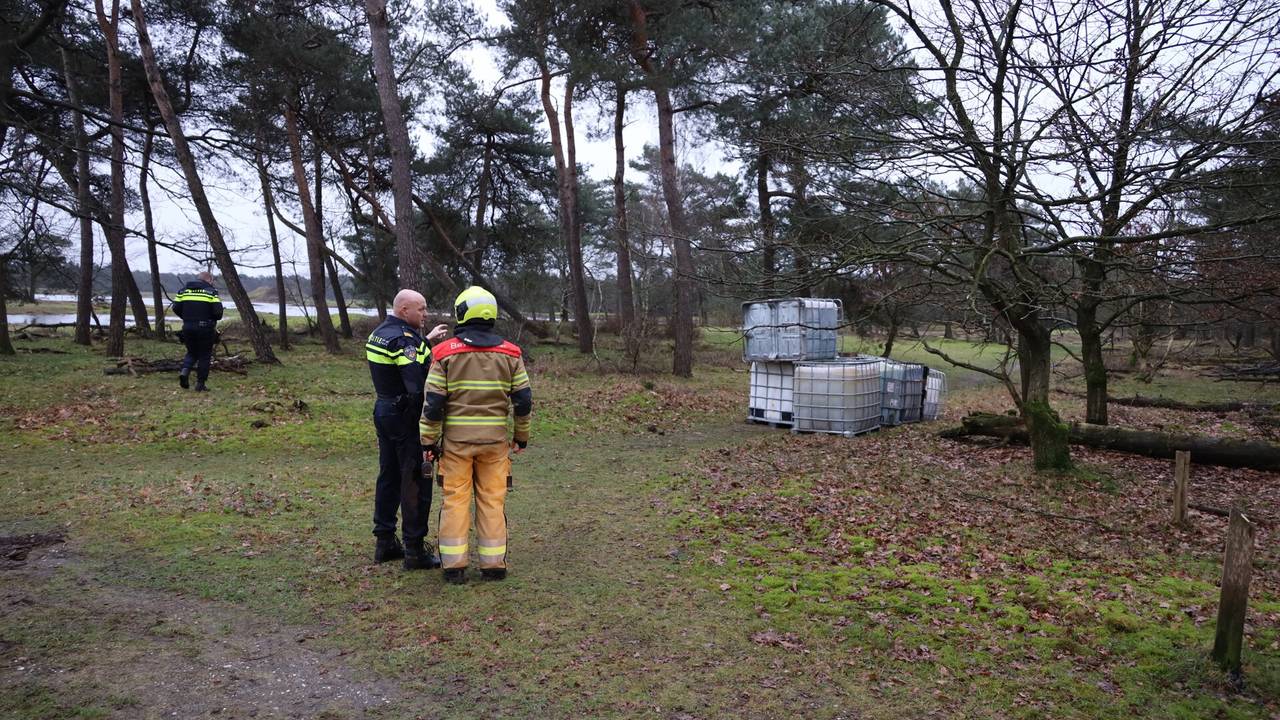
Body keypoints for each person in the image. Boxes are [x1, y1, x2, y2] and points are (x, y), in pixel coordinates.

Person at [420, 286, 532, 585]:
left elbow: (433, 404)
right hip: (495, 444)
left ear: (461, 313)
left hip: (456, 445)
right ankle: (493, 566)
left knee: (455, 501)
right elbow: (523, 400)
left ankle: (454, 567)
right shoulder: (512, 353)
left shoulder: (443, 353)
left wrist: (428, 441)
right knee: (492, 501)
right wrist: (521, 436)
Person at [366, 289, 449, 569]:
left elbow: (401, 360)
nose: (425, 313)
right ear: (404, 310)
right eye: (421, 309)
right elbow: (416, 385)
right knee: (416, 480)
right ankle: (414, 550)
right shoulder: (405, 341)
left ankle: (385, 540)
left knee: (388, 475)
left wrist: (426, 341)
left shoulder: (380, 333)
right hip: (406, 416)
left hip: (384, 410)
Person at [171, 271, 224, 391]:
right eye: (212, 281)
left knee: (191, 352)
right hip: (205, 328)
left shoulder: (183, 291)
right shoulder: (211, 292)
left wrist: (186, 318)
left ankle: (185, 372)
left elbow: (175, 307)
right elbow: (218, 313)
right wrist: (211, 319)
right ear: (209, 280)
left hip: (188, 327)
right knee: (204, 355)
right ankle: (200, 384)